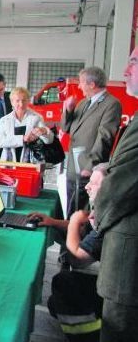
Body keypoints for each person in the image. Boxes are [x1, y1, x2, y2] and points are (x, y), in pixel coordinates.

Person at [30, 164, 107, 342]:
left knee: (62, 284)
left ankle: (87, 337)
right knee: (55, 303)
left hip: (121, 297)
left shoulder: (109, 215)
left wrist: (74, 221)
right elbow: (83, 227)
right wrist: (53, 221)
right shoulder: (105, 207)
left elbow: (78, 257)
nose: (87, 186)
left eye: (94, 183)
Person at [93, 47, 138, 341]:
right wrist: (106, 167)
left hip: (129, 259)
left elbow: (123, 185)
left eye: (132, 62)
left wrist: (96, 205)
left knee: (117, 330)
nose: (125, 71)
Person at [61, 66, 121, 218]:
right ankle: (68, 239)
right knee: (70, 207)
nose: (79, 86)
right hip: (73, 166)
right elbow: (66, 128)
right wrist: (67, 110)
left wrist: (91, 165)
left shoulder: (112, 104)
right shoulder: (82, 103)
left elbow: (105, 137)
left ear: (92, 84)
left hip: (88, 168)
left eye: (81, 83)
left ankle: (78, 241)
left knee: (82, 212)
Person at [0, 87, 53, 163]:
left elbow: (49, 141)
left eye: (24, 100)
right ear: (12, 102)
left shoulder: (36, 118)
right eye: (17, 101)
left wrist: (44, 131)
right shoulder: (4, 120)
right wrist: (22, 139)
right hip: (8, 163)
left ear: (28, 101)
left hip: (31, 162)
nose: (21, 104)